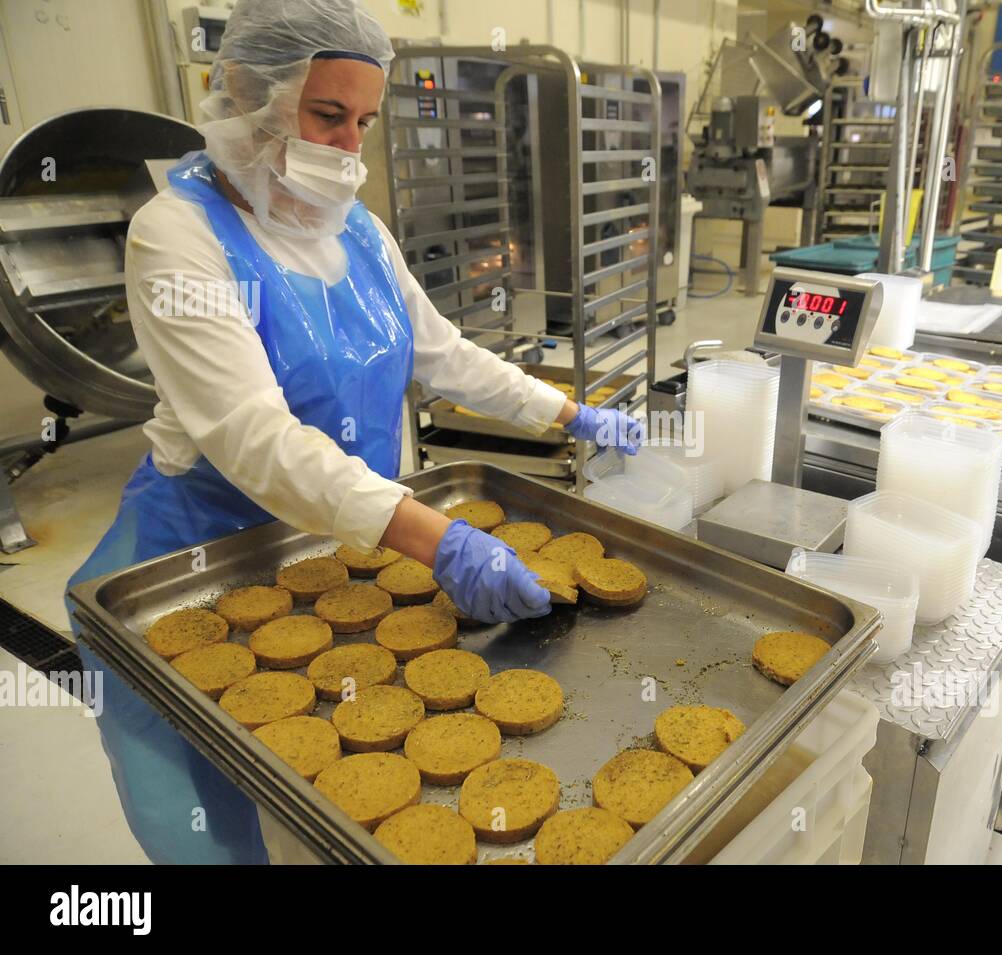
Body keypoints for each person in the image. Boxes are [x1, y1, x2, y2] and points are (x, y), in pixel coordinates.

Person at [64, 0, 640, 864]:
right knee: (211, 809)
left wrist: (567, 411)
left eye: (362, 121)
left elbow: (443, 355)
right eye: (326, 115)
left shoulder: (358, 232)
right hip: (200, 559)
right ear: (246, 96)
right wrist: (437, 539)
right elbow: (253, 434)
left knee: (335, 799)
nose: (345, 147)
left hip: (351, 544)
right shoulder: (176, 237)